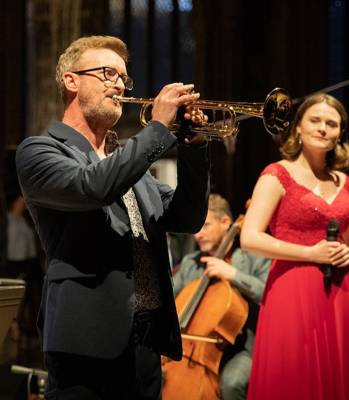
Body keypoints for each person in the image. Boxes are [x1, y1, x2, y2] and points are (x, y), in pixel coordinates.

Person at [16, 35, 210, 400]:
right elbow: (95, 187)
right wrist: (157, 128)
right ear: (71, 81)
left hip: (146, 342)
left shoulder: (128, 163)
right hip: (85, 342)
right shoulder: (40, 151)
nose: (119, 84)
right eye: (107, 73)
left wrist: (194, 148)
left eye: (123, 77)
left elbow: (186, 217)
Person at [241, 93, 349, 400]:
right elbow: (250, 237)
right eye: (315, 120)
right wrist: (309, 254)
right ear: (298, 127)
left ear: (340, 133)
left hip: (342, 291)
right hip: (292, 288)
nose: (323, 128)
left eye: (332, 123)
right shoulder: (277, 174)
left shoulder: (345, 182)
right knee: (293, 376)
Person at [172, 194, 271, 400]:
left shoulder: (254, 258)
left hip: (243, 347)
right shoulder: (192, 263)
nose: (198, 234)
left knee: (232, 383)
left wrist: (234, 275)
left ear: (225, 222)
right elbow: (167, 300)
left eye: (205, 225)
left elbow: (269, 295)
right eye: (196, 228)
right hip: (194, 350)